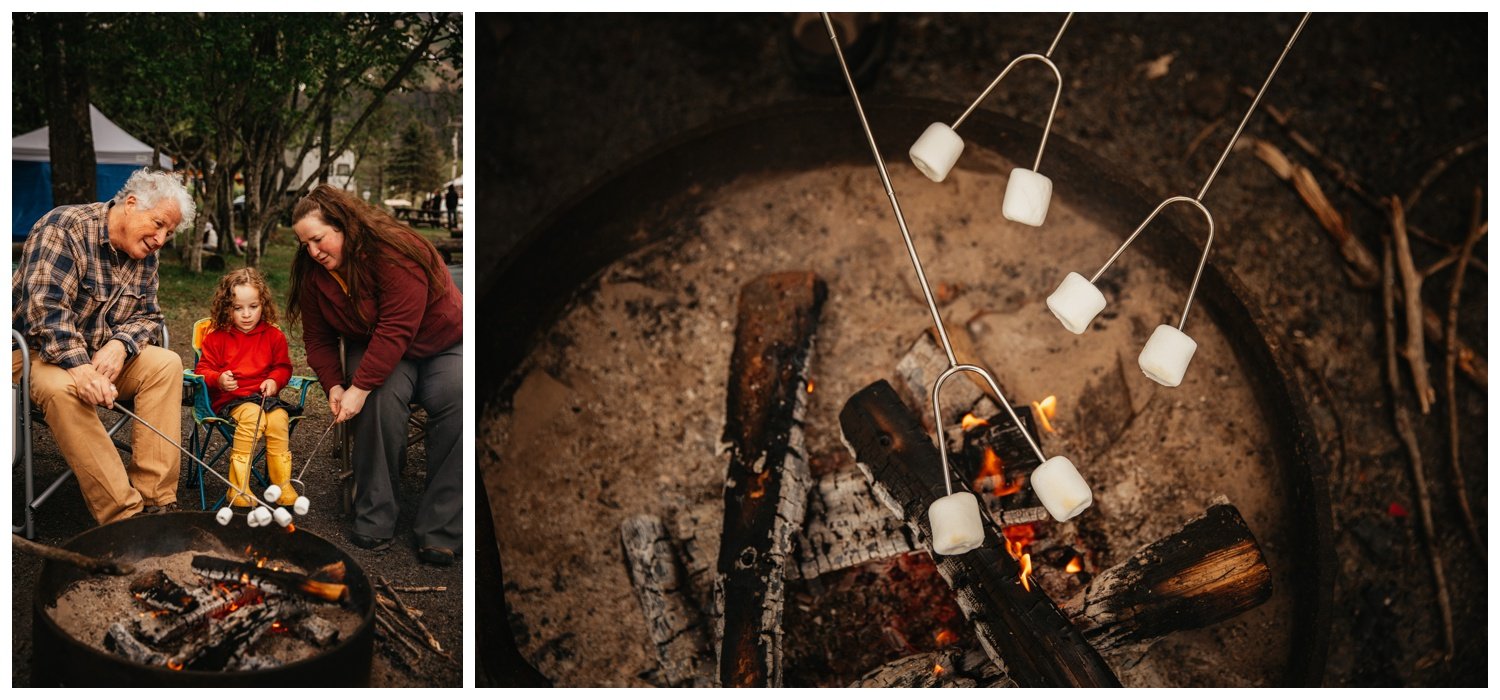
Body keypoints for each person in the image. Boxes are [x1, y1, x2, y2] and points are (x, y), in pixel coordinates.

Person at [289, 184, 463, 565]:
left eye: (319, 239)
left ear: (344, 226)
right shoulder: (314, 275)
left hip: (440, 343)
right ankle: (376, 513)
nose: (314, 252)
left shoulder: (395, 250)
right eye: (306, 245)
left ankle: (441, 528)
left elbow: (398, 327)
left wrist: (360, 386)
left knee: (460, 397)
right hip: (375, 345)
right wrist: (336, 385)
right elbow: (317, 339)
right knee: (378, 402)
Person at [11, 169, 194, 524]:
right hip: (31, 354)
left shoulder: (145, 253)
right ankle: (124, 516)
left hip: (98, 355)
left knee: (166, 363)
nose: (160, 239)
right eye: (157, 225)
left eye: (168, 233)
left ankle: (156, 500)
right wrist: (80, 368)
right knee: (63, 388)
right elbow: (44, 311)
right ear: (130, 204)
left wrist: (120, 345)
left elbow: (150, 316)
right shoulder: (65, 227)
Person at [196, 268, 298, 508]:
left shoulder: (274, 336)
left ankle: (281, 484)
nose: (246, 315)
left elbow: (283, 367)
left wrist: (274, 380)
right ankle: (238, 488)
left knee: (279, 418)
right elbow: (203, 369)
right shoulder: (216, 337)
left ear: (263, 304)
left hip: (264, 398)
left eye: (253, 306)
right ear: (226, 307)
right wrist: (219, 379)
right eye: (237, 308)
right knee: (253, 416)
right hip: (231, 400)